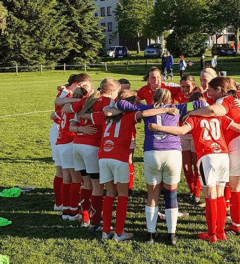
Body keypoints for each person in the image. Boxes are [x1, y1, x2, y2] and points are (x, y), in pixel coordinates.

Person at [147, 93, 240, 243]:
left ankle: (212, 234)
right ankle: (221, 232)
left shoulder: (193, 117)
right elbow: (237, 127)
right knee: (220, 195)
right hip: (223, 156)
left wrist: (158, 127)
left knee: (209, 196)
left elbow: (181, 131)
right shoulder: (220, 116)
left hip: (208, 157)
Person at [112, 88, 207, 245]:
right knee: (171, 195)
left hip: (153, 152)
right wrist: (176, 108)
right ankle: (172, 235)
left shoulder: (144, 108)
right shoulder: (179, 108)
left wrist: (141, 102)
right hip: (173, 153)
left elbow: (121, 104)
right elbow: (200, 103)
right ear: (170, 99)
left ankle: (151, 234)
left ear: (153, 98)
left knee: (152, 196)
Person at [84, 90, 178, 242]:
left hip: (104, 156)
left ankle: (105, 231)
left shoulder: (106, 113)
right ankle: (119, 232)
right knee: (122, 195)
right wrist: (166, 109)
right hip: (120, 157)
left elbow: (87, 115)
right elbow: (145, 114)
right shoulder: (129, 114)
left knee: (109, 194)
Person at [190, 77, 240, 235]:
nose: (207, 92)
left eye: (210, 90)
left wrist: (192, 113)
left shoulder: (222, 101)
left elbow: (212, 111)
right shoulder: (239, 96)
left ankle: (236, 225)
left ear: (219, 90)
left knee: (236, 188)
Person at [62, 78, 120, 230]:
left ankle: (85, 219)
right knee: (97, 186)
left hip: (78, 146)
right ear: (113, 91)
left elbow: (68, 113)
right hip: (92, 147)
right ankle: (94, 222)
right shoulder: (108, 101)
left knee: (86, 183)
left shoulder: (89, 99)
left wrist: (83, 119)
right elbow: (107, 117)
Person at [51, 86, 95, 220]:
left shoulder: (65, 106)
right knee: (76, 179)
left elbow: (54, 115)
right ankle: (74, 212)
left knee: (66, 178)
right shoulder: (76, 107)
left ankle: (66, 211)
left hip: (60, 144)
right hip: (69, 142)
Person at [174, 76, 202, 204]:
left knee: (197, 165)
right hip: (183, 134)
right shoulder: (176, 94)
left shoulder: (199, 96)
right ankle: (192, 191)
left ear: (194, 85)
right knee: (186, 166)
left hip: (197, 134)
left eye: (188, 86)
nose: (185, 89)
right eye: (183, 86)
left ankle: (196, 194)